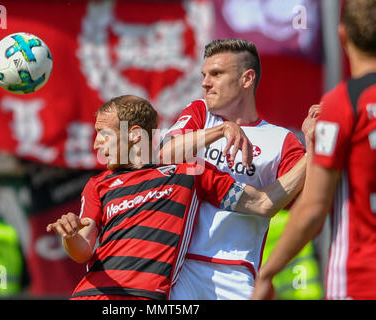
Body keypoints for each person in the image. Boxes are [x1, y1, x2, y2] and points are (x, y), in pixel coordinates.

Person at [46, 95, 313, 300]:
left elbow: (263, 203)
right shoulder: (98, 184)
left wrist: (313, 152)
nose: (96, 145)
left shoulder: (189, 172)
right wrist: (69, 235)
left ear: (135, 136)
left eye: (103, 135)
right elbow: (82, 251)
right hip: (90, 294)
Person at [159, 38, 308, 299]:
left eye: (216, 74)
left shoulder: (282, 140)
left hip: (237, 273)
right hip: (182, 267)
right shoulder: (201, 114)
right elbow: (164, 155)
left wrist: (315, 150)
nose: (205, 82)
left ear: (246, 79)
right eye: (204, 75)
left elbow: (303, 203)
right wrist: (221, 130)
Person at [252, 0, 376, 300]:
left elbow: (313, 210)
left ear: (342, 34)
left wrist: (267, 273)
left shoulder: (344, 103)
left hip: (360, 277)